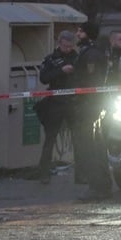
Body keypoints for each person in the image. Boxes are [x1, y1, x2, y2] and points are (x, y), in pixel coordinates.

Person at [73, 21, 111, 201]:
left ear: (87, 33)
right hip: (92, 104)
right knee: (96, 145)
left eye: (80, 31)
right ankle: (102, 186)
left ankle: (97, 187)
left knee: (91, 147)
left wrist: (84, 101)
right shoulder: (91, 52)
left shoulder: (91, 54)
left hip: (90, 105)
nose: (77, 34)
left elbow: (91, 81)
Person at [35, 30, 78, 184]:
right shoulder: (51, 59)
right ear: (59, 43)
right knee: (50, 138)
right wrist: (61, 71)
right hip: (56, 102)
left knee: (78, 137)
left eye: (70, 46)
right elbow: (44, 78)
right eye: (65, 46)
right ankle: (44, 173)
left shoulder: (77, 57)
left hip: (73, 101)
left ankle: (81, 174)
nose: (68, 49)